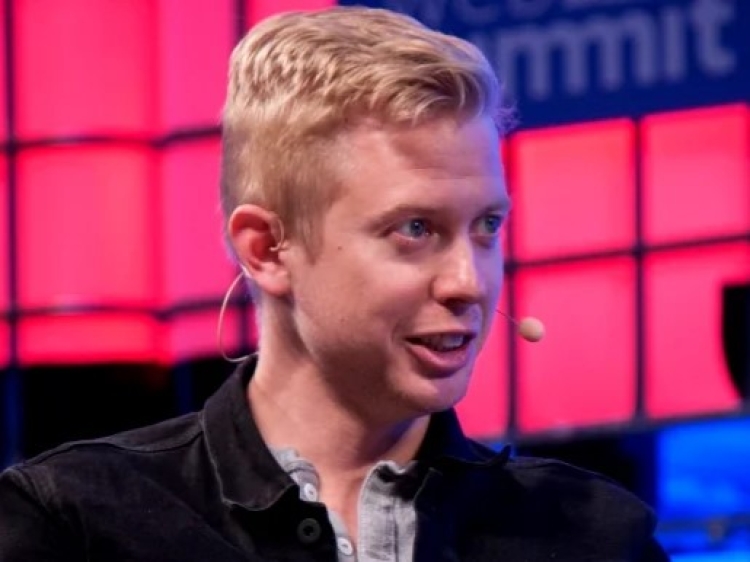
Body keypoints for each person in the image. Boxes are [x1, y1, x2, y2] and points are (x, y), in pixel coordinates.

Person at [0, 6, 669, 561]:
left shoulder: (595, 536)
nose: (468, 282)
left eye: (486, 226)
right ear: (267, 250)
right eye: (415, 228)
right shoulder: (77, 523)